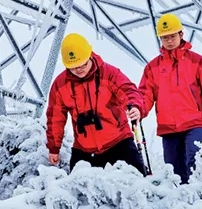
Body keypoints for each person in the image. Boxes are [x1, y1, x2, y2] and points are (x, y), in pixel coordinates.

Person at [138, 13, 202, 184]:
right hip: (168, 127)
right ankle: (181, 200)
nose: (169, 41)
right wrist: (138, 110)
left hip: (195, 123)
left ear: (181, 34)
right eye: (165, 38)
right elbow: (145, 95)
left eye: (172, 36)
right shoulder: (153, 67)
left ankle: (201, 194)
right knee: (174, 172)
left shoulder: (197, 61)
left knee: (196, 161)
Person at [46, 33, 147, 175]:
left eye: (83, 64)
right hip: (84, 150)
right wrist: (54, 148)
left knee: (139, 179)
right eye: (73, 67)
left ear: (90, 55)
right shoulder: (60, 85)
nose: (79, 70)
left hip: (119, 142)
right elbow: (55, 118)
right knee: (77, 186)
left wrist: (135, 106)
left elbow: (128, 90)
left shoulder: (109, 73)